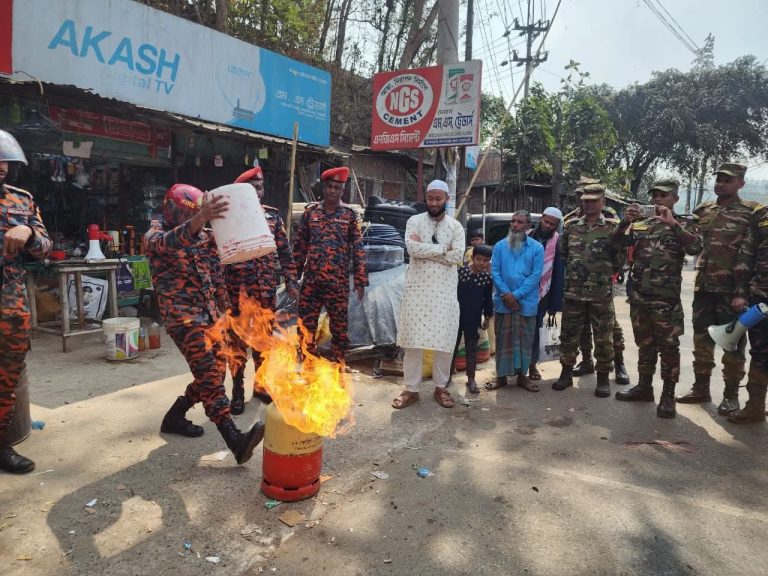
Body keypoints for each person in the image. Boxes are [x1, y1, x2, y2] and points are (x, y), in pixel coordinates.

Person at [145, 184, 264, 465]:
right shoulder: (155, 236)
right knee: (210, 376)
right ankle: (234, 440)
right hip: (183, 319)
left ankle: (175, 415)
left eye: (196, 215)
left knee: (216, 370)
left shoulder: (204, 236)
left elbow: (216, 276)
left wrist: (227, 312)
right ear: (169, 209)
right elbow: (171, 241)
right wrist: (199, 219)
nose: (193, 220)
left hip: (211, 315)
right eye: (187, 215)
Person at [610, 179, 702, 418]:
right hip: (640, 296)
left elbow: (695, 248)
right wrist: (625, 221)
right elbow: (614, 243)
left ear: (675, 199)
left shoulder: (685, 223)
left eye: (663, 195)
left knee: (668, 347)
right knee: (645, 344)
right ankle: (644, 387)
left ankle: (668, 395)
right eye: (655, 195)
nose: (657, 199)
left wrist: (673, 224)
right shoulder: (640, 223)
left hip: (666, 300)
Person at [676, 163, 760, 415]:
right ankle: (701, 387)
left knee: (732, 344)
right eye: (719, 179)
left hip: (732, 291)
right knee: (701, 341)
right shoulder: (704, 211)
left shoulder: (750, 213)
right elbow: (692, 244)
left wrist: (742, 291)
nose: (721, 183)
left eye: (728, 180)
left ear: (741, 184)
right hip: (704, 287)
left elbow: (752, 252)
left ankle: (730, 395)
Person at [225, 166, 299, 413]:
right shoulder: (227, 219)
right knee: (236, 344)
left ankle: (261, 384)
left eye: (260, 187)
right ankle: (237, 390)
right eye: (253, 188)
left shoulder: (273, 218)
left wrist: (291, 281)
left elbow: (285, 252)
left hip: (265, 291)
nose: (259, 191)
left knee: (263, 342)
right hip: (236, 292)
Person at [0, 130, 52, 474]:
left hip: (10, 308)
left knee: (7, 378)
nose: (2, 167)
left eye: (5, 160)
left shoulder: (22, 200)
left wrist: (30, 233)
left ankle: (2, 445)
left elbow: (47, 246)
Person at [392, 179, 465, 409]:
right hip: (417, 291)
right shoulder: (414, 221)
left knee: (444, 342)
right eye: (430, 198)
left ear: (446, 199)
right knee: (413, 342)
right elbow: (412, 249)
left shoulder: (456, 227)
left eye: (438, 199)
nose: (433, 203)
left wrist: (427, 250)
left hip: (444, 293)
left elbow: (458, 256)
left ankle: (441, 387)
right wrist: (443, 249)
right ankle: (411, 390)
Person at [554, 184, 623, 397]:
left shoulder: (612, 228)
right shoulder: (571, 226)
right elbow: (564, 254)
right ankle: (566, 373)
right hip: (574, 292)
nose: (589, 204)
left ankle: (603, 378)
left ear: (603, 202)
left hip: (600, 293)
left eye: (593, 200)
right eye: (585, 200)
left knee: (603, 337)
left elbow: (619, 260)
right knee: (569, 334)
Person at [293, 167, 367, 364]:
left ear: (343, 190)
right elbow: (300, 248)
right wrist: (293, 278)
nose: (332, 190)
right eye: (329, 186)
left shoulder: (350, 216)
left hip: (337, 283)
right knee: (305, 326)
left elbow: (358, 249)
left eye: (337, 187)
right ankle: (306, 363)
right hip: (312, 283)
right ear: (323, 187)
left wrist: (360, 280)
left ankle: (339, 365)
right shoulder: (310, 214)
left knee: (340, 329)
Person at [486, 211, 545, 393]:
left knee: (525, 341)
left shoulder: (536, 248)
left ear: (528, 226)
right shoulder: (500, 246)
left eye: (519, 222)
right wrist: (506, 295)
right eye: (513, 221)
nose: (514, 225)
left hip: (526, 303)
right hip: (504, 302)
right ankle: (501, 377)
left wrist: (516, 296)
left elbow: (535, 276)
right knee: (503, 341)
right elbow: (494, 271)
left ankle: (522, 377)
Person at [730, 203, 768, 423]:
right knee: (761, 353)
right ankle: (755, 406)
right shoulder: (761, 214)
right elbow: (747, 253)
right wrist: (741, 292)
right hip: (761, 295)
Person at [528, 207, 565, 381]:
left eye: (552, 224)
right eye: (546, 221)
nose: (548, 225)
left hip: (544, 293)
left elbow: (558, 272)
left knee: (535, 329)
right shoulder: (526, 235)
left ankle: (532, 365)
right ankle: (516, 365)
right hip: (523, 291)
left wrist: (554, 304)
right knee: (519, 329)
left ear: (557, 225)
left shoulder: (558, 241)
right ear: (541, 218)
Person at [453, 244, 493, 394]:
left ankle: (471, 379)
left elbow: (488, 300)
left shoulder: (487, 278)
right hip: (455, 317)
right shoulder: (460, 272)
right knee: (452, 347)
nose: (481, 263)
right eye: (478, 259)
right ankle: (446, 376)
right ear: (472, 258)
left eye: (485, 260)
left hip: (473, 318)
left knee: (471, 350)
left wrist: (487, 317)